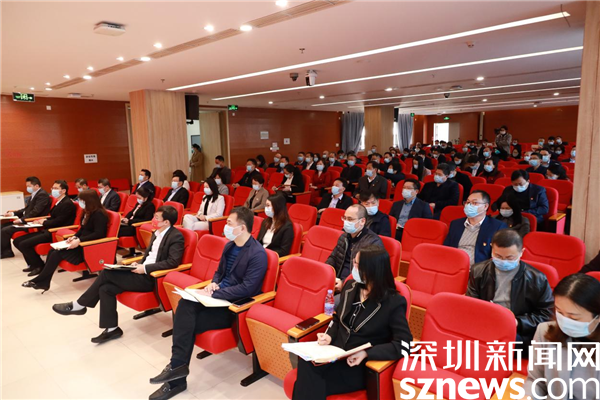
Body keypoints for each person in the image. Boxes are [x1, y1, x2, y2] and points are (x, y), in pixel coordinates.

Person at [147, 207, 268, 399]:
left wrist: (218, 293)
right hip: (215, 298)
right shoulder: (230, 246)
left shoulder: (257, 254)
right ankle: (177, 371)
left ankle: (176, 376)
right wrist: (213, 284)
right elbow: (219, 272)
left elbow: (248, 289)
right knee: (184, 305)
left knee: (184, 323)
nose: (225, 226)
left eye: (229, 223)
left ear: (242, 228)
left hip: (232, 307)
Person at [292, 247, 412, 400]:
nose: (353, 268)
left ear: (372, 269)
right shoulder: (351, 287)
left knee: (310, 380)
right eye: (354, 262)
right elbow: (338, 318)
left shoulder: (393, 302)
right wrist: (329, 336)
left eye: (357, 264)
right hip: (335, 353)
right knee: (306, 365)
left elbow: (404, 344)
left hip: (358, 365)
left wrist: (367, 353)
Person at [52, 206, 185, 344]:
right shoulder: (156, 233)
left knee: (106, 273)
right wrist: (138, 263)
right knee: (106, 289)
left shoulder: (176, 236)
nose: (152, 220)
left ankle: (79, 305)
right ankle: (112, 329)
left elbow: (172, 262)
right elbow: (150, 256)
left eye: (156, 218)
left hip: (152, 277)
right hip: (141, 270)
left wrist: (145, 268)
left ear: (166, 222)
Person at [466, 229, 553, 357]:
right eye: (498, 256)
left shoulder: (537, 279)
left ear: (521, 252)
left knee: (493, 347)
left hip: (518, 331)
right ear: (492, 248)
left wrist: (518, 322)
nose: (503, 261)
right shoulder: (478, 271)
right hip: (486, 324)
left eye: (509, 258)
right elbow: (471, 304)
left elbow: (547, 314)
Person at [523, 274, 600, 399]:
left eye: (573, 317)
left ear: (597, 317)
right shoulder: (545, 332)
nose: (564, 321)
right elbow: (536, 380)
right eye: (559, 312)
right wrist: (528, 396)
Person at [22, 190, 108, 288]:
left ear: (89, 200)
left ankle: (41, 281)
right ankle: (43, 281)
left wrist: (79, 240)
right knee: (53, 250)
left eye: (82, 200)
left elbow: (99, 234)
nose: (80, 202)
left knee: (56, 254)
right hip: (81, 242)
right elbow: (82, 229)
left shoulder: (99, 214)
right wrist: (74, 236)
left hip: (89, 246)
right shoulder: (87, 212)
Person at [13, 180, 77, 274]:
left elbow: (59, 221)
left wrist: (44, 222)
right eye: (53, 188)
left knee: (23, 244)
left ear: (63, 191)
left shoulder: (67, 203)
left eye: (56, 188)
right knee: (17, 241)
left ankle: (39, 265)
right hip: (48, 229)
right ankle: (33, 264)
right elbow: (54, 217)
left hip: (55, 232)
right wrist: (42, 220)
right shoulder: (59, 202)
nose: (53, 190)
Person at [326, 205, 383, 293]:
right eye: (344, 218)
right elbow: (333, 258)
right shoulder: (344, 237)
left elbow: (368, 273)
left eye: (350, 219)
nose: (346, 222)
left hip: (356, 288)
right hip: (336, 282)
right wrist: (327, 276)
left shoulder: (373, 242)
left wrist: (344, 283)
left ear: (362, 221)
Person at [443, 190, 508, 266]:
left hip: (479, 270)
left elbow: (499, 255)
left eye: (474, 203)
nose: (469, 206)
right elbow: (446, 248)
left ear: (485, 206)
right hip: (452, 266)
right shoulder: (456, 224)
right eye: (467, 202)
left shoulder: (497, 226)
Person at [1, 176, 52, 259]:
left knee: (5, 230)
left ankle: (7, 252)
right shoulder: (35, 194)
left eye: (29, 186)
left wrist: (21, 220)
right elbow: (26, 209)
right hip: (26, 218)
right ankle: (4, 251)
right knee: (2, 226)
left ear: (36, 186)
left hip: (32, 221)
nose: (27, 188)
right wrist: (13, 213)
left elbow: (36, 212)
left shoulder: (42, 195)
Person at [118, 186, 156, 257]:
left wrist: (129, 221)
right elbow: (131, 212)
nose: (138, 199)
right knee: (116, 227)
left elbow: (146, 220)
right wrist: (125, 218)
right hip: (130, 223)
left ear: (145, 197)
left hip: (136, 227)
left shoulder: (150, 206)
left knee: (118, 231)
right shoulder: (139, 203)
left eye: (139, 198)